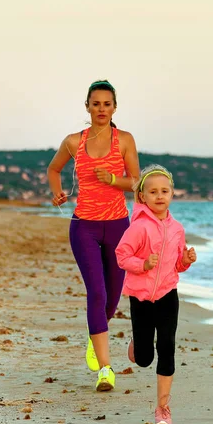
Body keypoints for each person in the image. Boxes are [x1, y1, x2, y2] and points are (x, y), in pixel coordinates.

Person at [47, 79, 139, 392]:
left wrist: (114, 179)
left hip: (117, 226)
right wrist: (57, 193)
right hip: (84, 226)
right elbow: (53, 169)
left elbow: (136, 182)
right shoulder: (74, 141)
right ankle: (105, 370)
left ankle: (94, 334)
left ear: (115, 108)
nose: (101, 109)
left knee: (112, 299)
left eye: (107, 104)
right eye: (96, 103)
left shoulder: (124, 140)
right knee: (96, 294)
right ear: (87, 106)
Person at [115, 164, 197, 424]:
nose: (159, 196)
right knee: (144, 359)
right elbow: (121, 255)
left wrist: (185, 260)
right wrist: (143, 264)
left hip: (167, 295)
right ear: (142, 197)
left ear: (172, 194)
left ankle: (163, 409)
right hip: (140, 297)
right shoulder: (138, 227)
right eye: (153, 192)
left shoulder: (177, 229)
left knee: (167, 347)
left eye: (165, 191)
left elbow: (176, 265)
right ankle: (137, 345)